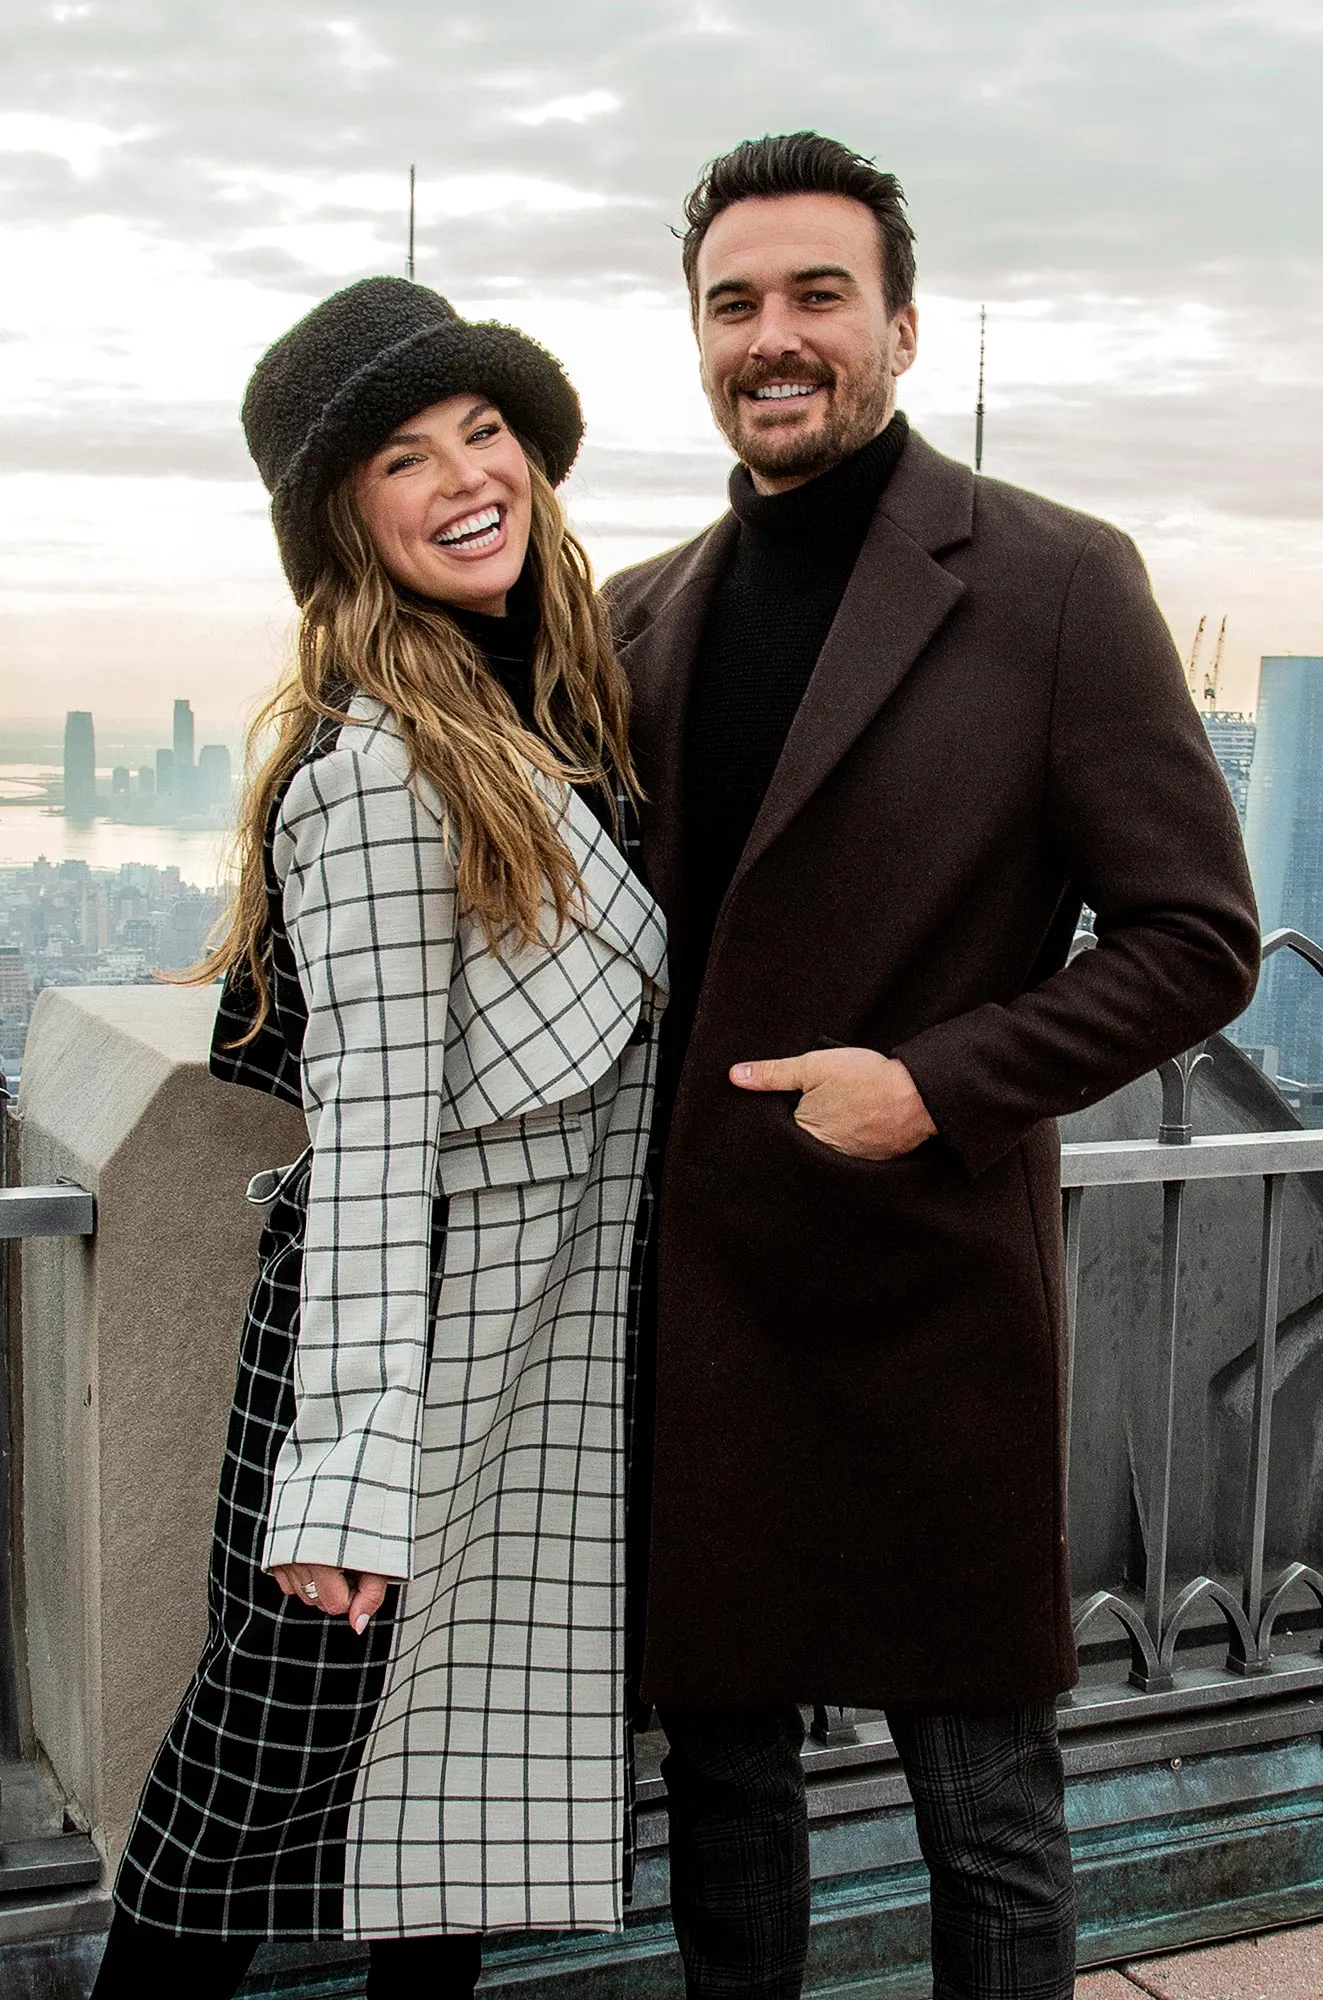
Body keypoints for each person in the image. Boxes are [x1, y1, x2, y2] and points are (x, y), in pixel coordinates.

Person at [608, 134, 1261, 2000]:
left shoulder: (1054, 580)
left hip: (924, 1308)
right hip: (696, 1325)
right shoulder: (644, 612)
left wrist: (935, 1081)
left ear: (898, 322)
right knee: (723, 1801)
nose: (775, 336)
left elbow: (1197, 940)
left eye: (819, 294)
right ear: (701, 341)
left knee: (987, 1819)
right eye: (734, 304)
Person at [92, 277, 668, 2000]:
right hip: (393, 1352)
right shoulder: (375, 763)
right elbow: (371, 1135)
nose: (463, 477)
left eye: (484, 433)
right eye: (404, 459)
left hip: (535, 1336)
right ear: (348, 521)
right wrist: (340, 1477)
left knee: (453, 1818)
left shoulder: (564, 714)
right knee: (240, 1800)